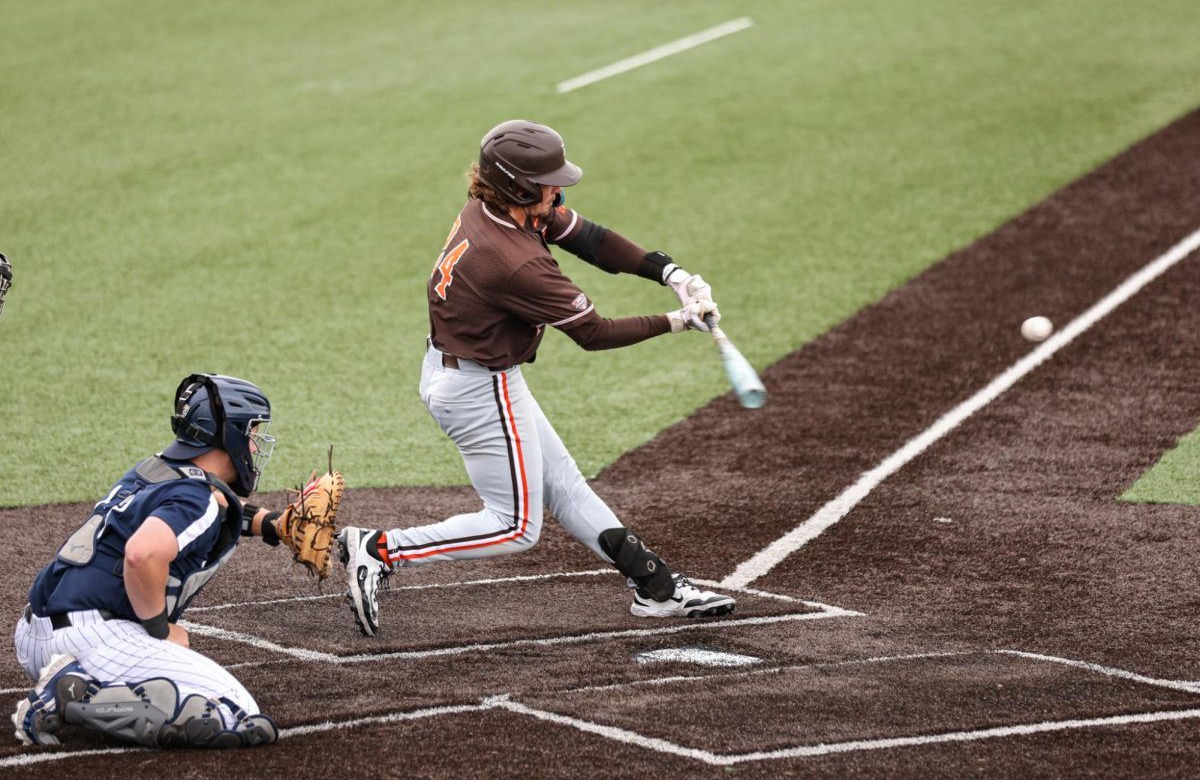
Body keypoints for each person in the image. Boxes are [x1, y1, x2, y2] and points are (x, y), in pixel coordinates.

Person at [337, 120, 736, 637]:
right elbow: (594, 333)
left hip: (469, 370)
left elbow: (589, 237)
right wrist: (676, 321)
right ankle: (380, 549)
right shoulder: (515, 263)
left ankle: (655, 589)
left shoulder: (495, 209)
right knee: (516, 527)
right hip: (479, 389)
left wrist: (670, 274)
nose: (559, 191)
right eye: (549, 183)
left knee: (564, 485)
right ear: (520, 187)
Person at [11, 374, 292, 749]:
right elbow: (143, 553)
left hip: (35, 633)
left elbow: (213, 507)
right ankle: (71, 698)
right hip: (94, 638)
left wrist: (269, 523)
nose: (255, 446)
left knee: (205, 703)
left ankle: (88, 685)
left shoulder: (154, 471)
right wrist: (160, 629)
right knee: (233, 711)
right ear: (230, 435)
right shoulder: (197, 498)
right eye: (252, 432)